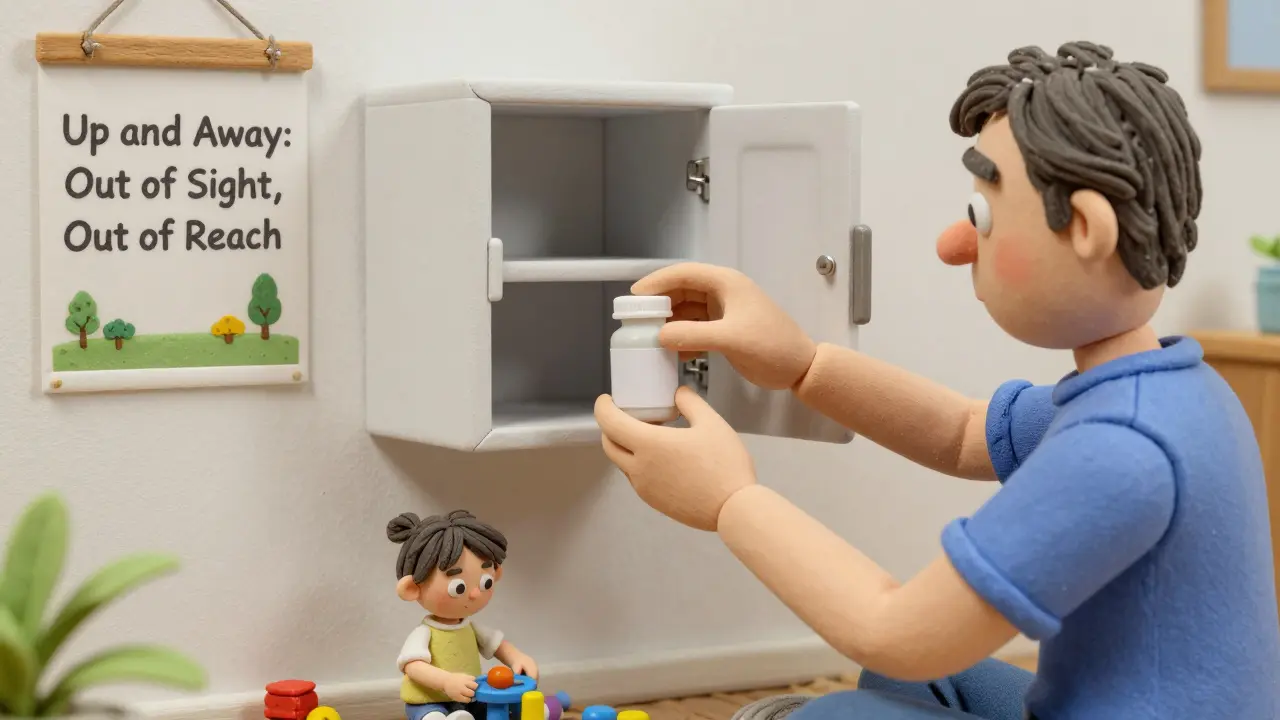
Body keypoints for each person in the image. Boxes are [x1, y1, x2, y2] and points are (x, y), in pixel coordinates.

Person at [593, 42, 1280, 719]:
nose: (954, 245)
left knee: (850, 705)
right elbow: (961, 433)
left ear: (1086, 229)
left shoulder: (1121, 450)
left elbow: (899, 629)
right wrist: (803, 362)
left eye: (982, 217)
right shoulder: (1167, 387)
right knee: (916, 681)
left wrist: (729, 500)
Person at [387, 509, 539, 720]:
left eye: (486, 582)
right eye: (458, 587)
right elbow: (413, 667)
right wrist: (446, 682)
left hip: (470, 699)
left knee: (505, 708)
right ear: (413, 588)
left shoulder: (471, 628)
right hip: (428, 701)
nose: (475, 593)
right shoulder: (424, 633)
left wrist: (517, 657)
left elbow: (499, 645)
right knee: (433, 716)